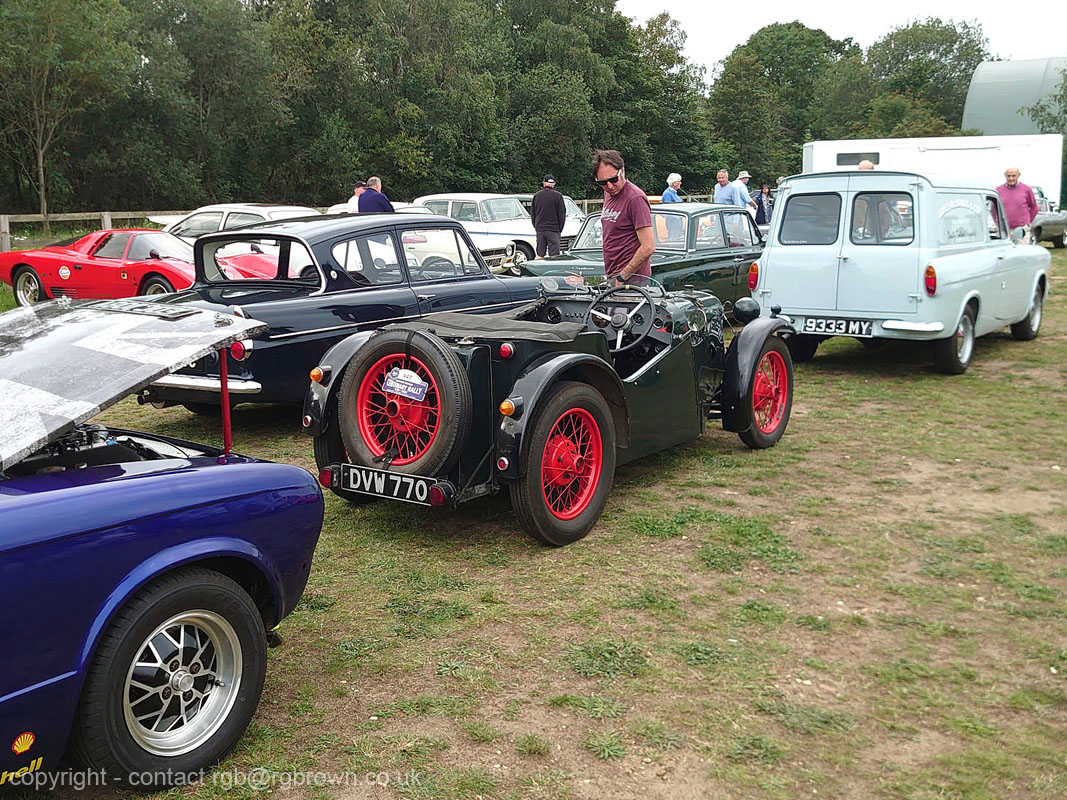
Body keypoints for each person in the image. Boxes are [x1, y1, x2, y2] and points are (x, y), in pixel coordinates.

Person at [593, 149, 654, 286]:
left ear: (623, 171)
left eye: (613, 179)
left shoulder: (635, 198)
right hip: (613, 274)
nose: (609, 186)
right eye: (603, 182)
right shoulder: (609, 193)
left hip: (632, 280)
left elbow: (648, 246)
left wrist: (622, 277)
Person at [996, 167, 1039, 244]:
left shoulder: (1027, 189)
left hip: (1021, 228)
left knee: (1021, 252)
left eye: (1013, 176)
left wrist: (1027, 222)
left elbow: (1034, 207)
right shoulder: (998, 190)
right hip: (1003, 229)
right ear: (1005, 176)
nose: (1011, 178)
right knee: (1003, 253)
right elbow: (993, 208)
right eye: (1008, 176)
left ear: (1018, 175)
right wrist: (997, 222)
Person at [530, 173, 567, 258]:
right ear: (554, 184)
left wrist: (537, 226)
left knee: (539, 254)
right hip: (553, 230)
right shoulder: (558, 196)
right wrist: (559, 230)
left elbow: (533, 214)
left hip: (540, 229)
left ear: (544, 183)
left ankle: (539, 270)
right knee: (554, 256)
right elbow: (562, 215)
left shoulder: (537, 196)